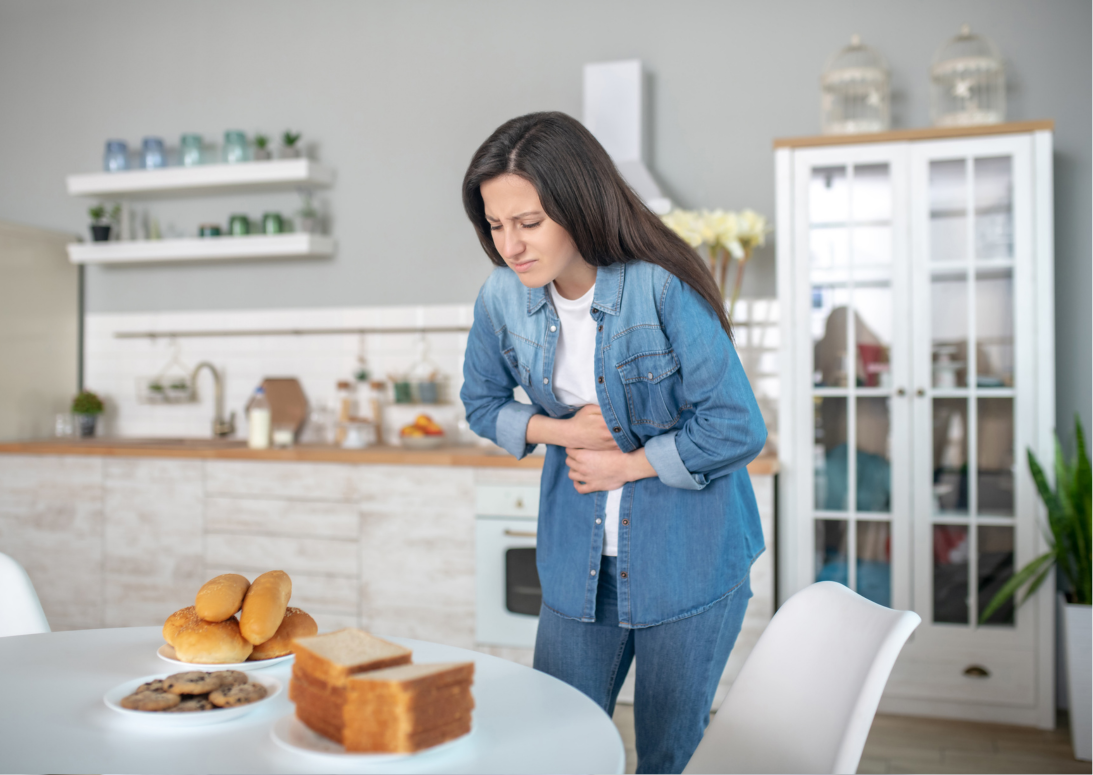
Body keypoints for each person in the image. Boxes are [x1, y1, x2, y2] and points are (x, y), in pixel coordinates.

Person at [459, 111, 767, 774]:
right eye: (495, 224)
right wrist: (562, 430)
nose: (509, 244)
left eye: (528, 222)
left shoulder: (659, 287)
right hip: (578, 567)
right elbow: (480, 404)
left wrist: (626, 464)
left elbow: (737, 425)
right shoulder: (501, 299)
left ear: (577, 205)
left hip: (688, 560)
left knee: (666, 755)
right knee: (553, 747)